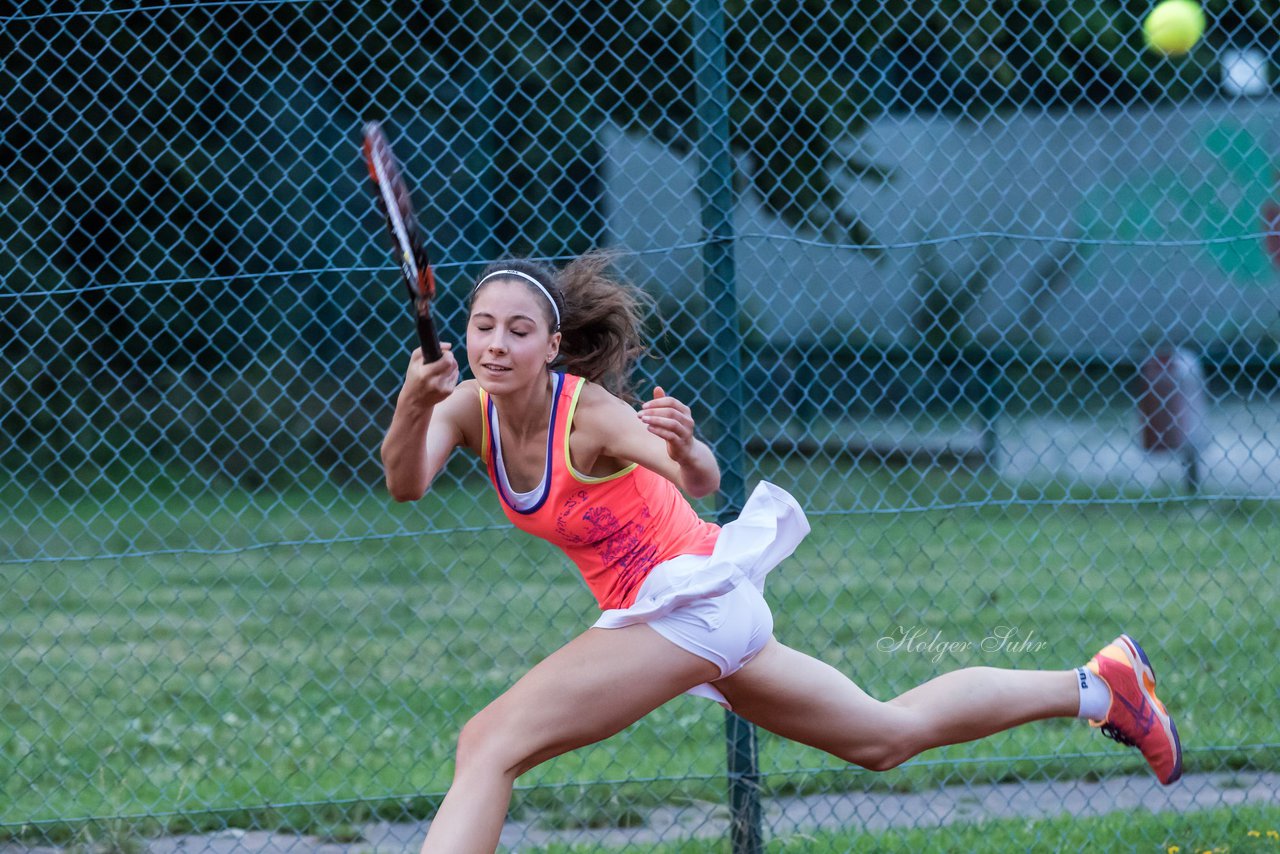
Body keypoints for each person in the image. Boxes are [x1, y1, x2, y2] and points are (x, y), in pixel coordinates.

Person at [381, 253, 1182, 854]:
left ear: (552, 344)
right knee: (883, 737)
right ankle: (1098, 687)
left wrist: (687, 446)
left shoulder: (589, 415)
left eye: (519, 330)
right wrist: (411, 405)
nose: (496, 344)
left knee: (487, 744)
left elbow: (701, 476)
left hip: (686, 602)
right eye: (484, 326)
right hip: (689, 615)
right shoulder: (461, 408)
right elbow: (405, 482)